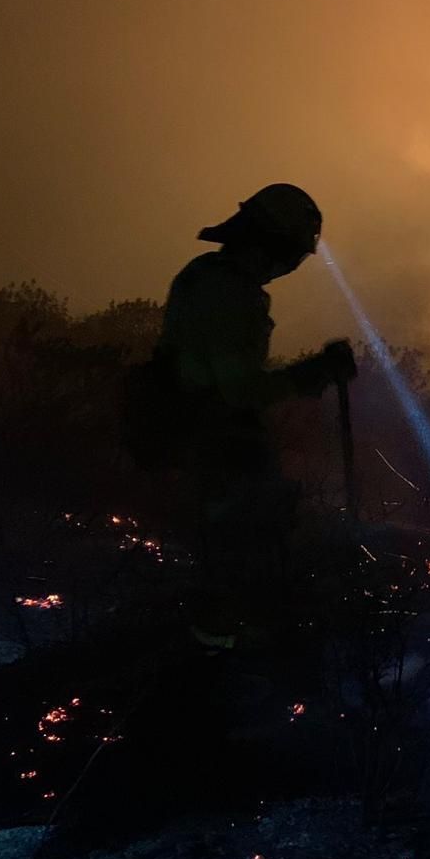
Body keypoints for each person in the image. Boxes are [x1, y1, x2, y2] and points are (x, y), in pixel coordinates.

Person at [125, 183, 356, 648]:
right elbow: (239, 390)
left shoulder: (210, 277)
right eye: (290, 254)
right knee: (236, 561)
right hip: (210, 441)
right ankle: (215, 669)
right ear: (269, 243)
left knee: (239, 551)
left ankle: (218, 650)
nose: (290, 266)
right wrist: (317, 371)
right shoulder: (227, 292)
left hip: (199, 435)